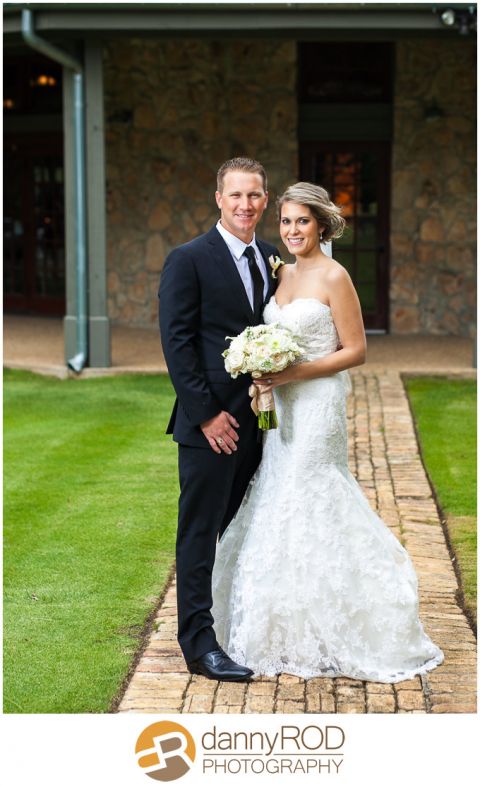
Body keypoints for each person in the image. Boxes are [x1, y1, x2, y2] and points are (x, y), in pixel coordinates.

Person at [211, 182, 444, 683]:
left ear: (321, 225)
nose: (292, 230)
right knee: (277, 494)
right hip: (282, 404)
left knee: (309, 492)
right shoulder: (281, 272)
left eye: (302, 221)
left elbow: (355, 351)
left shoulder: (336, 276)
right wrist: (263, 370)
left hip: (317, 403)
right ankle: (285, 626)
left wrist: (291, 373)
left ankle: (340, 623)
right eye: (286, 221)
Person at [158, 157, 280, 681]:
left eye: (253, 195)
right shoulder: (187, 260)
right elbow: (177, 344)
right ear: (219, 199)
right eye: (235, 195)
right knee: (200, 534)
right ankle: (198, 644)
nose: (244, 205)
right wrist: (208, 415)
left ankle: (235, 624)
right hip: (210, 426)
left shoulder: (273, 258)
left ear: (265, 200)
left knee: (244, 528)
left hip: (262, 424)